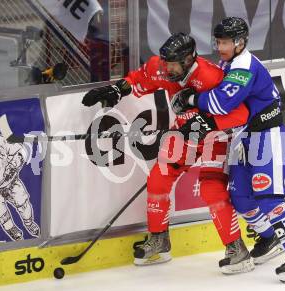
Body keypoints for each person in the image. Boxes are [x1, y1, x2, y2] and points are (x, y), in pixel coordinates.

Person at [82, 33, 254, 274]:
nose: (166, 69)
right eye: (165, 63)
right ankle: (159, 241)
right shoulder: (161, 67)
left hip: (217, 138)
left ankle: (237, 251)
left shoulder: (210, 77)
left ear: (188, 60)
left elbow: (241, 113)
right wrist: (116, 90)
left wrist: (204, 123)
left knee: (211, 188)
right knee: (157, 180)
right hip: (183, 136)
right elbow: (139, 78)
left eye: (172, 64)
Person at [174, 17, 285, 283]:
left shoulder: (244, 66)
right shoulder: (228, 63)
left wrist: (192, 99)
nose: (219, 47)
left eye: (225, 42)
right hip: (245, 138)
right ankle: (269, 237)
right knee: (241, 198)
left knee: (270, 199)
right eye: (217, 41)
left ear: (240, 42)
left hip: (268, 137)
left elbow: (219, 103)